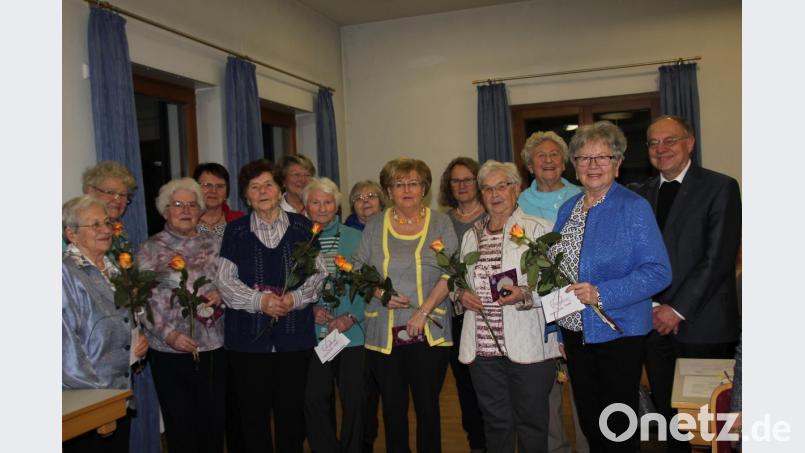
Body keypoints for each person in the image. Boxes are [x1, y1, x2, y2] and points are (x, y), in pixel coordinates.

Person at [551, 121, 671, 451]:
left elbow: (659, 271)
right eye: (583, 158)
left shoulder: (633, 208)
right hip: (577, 334)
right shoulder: (568, 210)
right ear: (574, 166)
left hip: (618, 332)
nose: (592, 165)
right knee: (590, 421)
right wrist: (559, 331)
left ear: (617, 164)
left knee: (616, 425)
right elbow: (559, 274)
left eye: (602, 157)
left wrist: (603, 293)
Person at [632, 115, 741, 452]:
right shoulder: (640, 194)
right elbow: (635, 257)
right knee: (670, 417)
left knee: (710, 423)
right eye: (653, 142)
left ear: (690, 143)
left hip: (703, 323)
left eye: (670, 140)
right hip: (652, 323)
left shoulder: (720, 187)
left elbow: (718, 259)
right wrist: (653, 307)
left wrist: (676, 310)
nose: (661, 149)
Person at [215, 158, 327, 453]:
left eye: (268, 184)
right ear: (247, 196)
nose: (263, 191)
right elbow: (225, 282)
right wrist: (260, 301)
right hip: (247, 344)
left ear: (280, 190)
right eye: (255, 187)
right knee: (253, 420)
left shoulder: (305, 228)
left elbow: (319, 275)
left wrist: (294, 299)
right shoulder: (235, 231)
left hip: (294, 341)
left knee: (292, 417)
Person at [456, 161, 560, 453]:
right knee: (496, 424)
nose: (495, 193)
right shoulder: (471, 236)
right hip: (483, 350)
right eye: (487, 188)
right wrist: (461, 294)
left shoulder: (538, 230)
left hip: (528, 348)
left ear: (517, 189)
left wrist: (525, 294)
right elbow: (460, 283)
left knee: (532, 424)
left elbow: (558, 287)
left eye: (502, 186)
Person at [355, 158, 457, 453]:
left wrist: (423, 311)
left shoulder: (441, 222)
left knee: (428, 407)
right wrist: (381, 293)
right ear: (388, 190)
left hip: (429, 329)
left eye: (413, 183)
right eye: (398, 184)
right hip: (383, 333)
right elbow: (358, 272)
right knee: (392, 409)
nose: (407, 189)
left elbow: (451, 272)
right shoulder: (374, 225)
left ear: (424, 187)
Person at [136, 178, 226, 453]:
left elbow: (230, 283)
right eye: (178, 204)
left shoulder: (215, 244)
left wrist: (221, 294)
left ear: (200, 210)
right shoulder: (150, 248)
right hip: (169, 351)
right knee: (181, 427)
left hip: (212, 346)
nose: (185, 210)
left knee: (212, 424)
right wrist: (170, 335)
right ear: (165, 210)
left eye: (191, 204)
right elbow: (140, 301)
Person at [517, 132, 587, 453]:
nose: (548, 160)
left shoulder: (583, 195)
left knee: (585, 387)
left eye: (554, 155)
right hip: (535, 305)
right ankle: (556, 448)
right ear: (529, 165)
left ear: (565, 162)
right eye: (540, 156)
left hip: (578, 301)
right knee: (546, 388)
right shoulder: (517, 202)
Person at [62, 195, 149, 453]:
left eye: (107, 222)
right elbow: (64, 347)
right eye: (95, 225)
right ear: (72, 234)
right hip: (87, 402)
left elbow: (126, 317)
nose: (104, 230)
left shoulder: (112, 269)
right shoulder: (65, 273)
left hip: (118, 393)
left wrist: (138, 340)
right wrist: (100, 400)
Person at [302, 177, 366, 453]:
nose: (322, 207)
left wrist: (350, 317)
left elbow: (368, 283)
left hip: (351, 331)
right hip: (315, 333)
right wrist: (310, 309)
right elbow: (290, 284)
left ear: (336, 205)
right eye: (315, 202)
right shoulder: (299, 239)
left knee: (354, 400)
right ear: (306, 206)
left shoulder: (355, 237)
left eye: (328, 202)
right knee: (314, 397)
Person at [437, 157, 487, 453]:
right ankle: (477, 444)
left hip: (493, 314)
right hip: (457, 316)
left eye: (468, 179)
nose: (463, 185)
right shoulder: (443, 222)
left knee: (493, 387)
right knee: (467, 387)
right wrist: (458, 293)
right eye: (456, 180)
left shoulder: (494, 215)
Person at [193, 162, 246, 236]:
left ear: (227, 191)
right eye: (207, 185)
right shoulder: (186, 220)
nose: (213, 191)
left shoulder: (240, 220)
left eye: (220, 186)